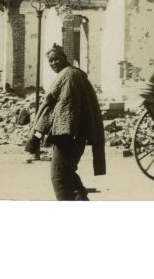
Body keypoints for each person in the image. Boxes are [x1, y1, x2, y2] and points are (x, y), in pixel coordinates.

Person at [25, 44, 106, 201]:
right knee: (67, 173)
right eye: (50, 60)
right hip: (72, 134)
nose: (54, 63)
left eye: (56, 59)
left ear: (64, 58)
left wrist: (37, 135)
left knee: (59, 176)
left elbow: (60, 110)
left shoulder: (69, 76)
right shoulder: (70, 74)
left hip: (68, 136)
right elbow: (53, 108)